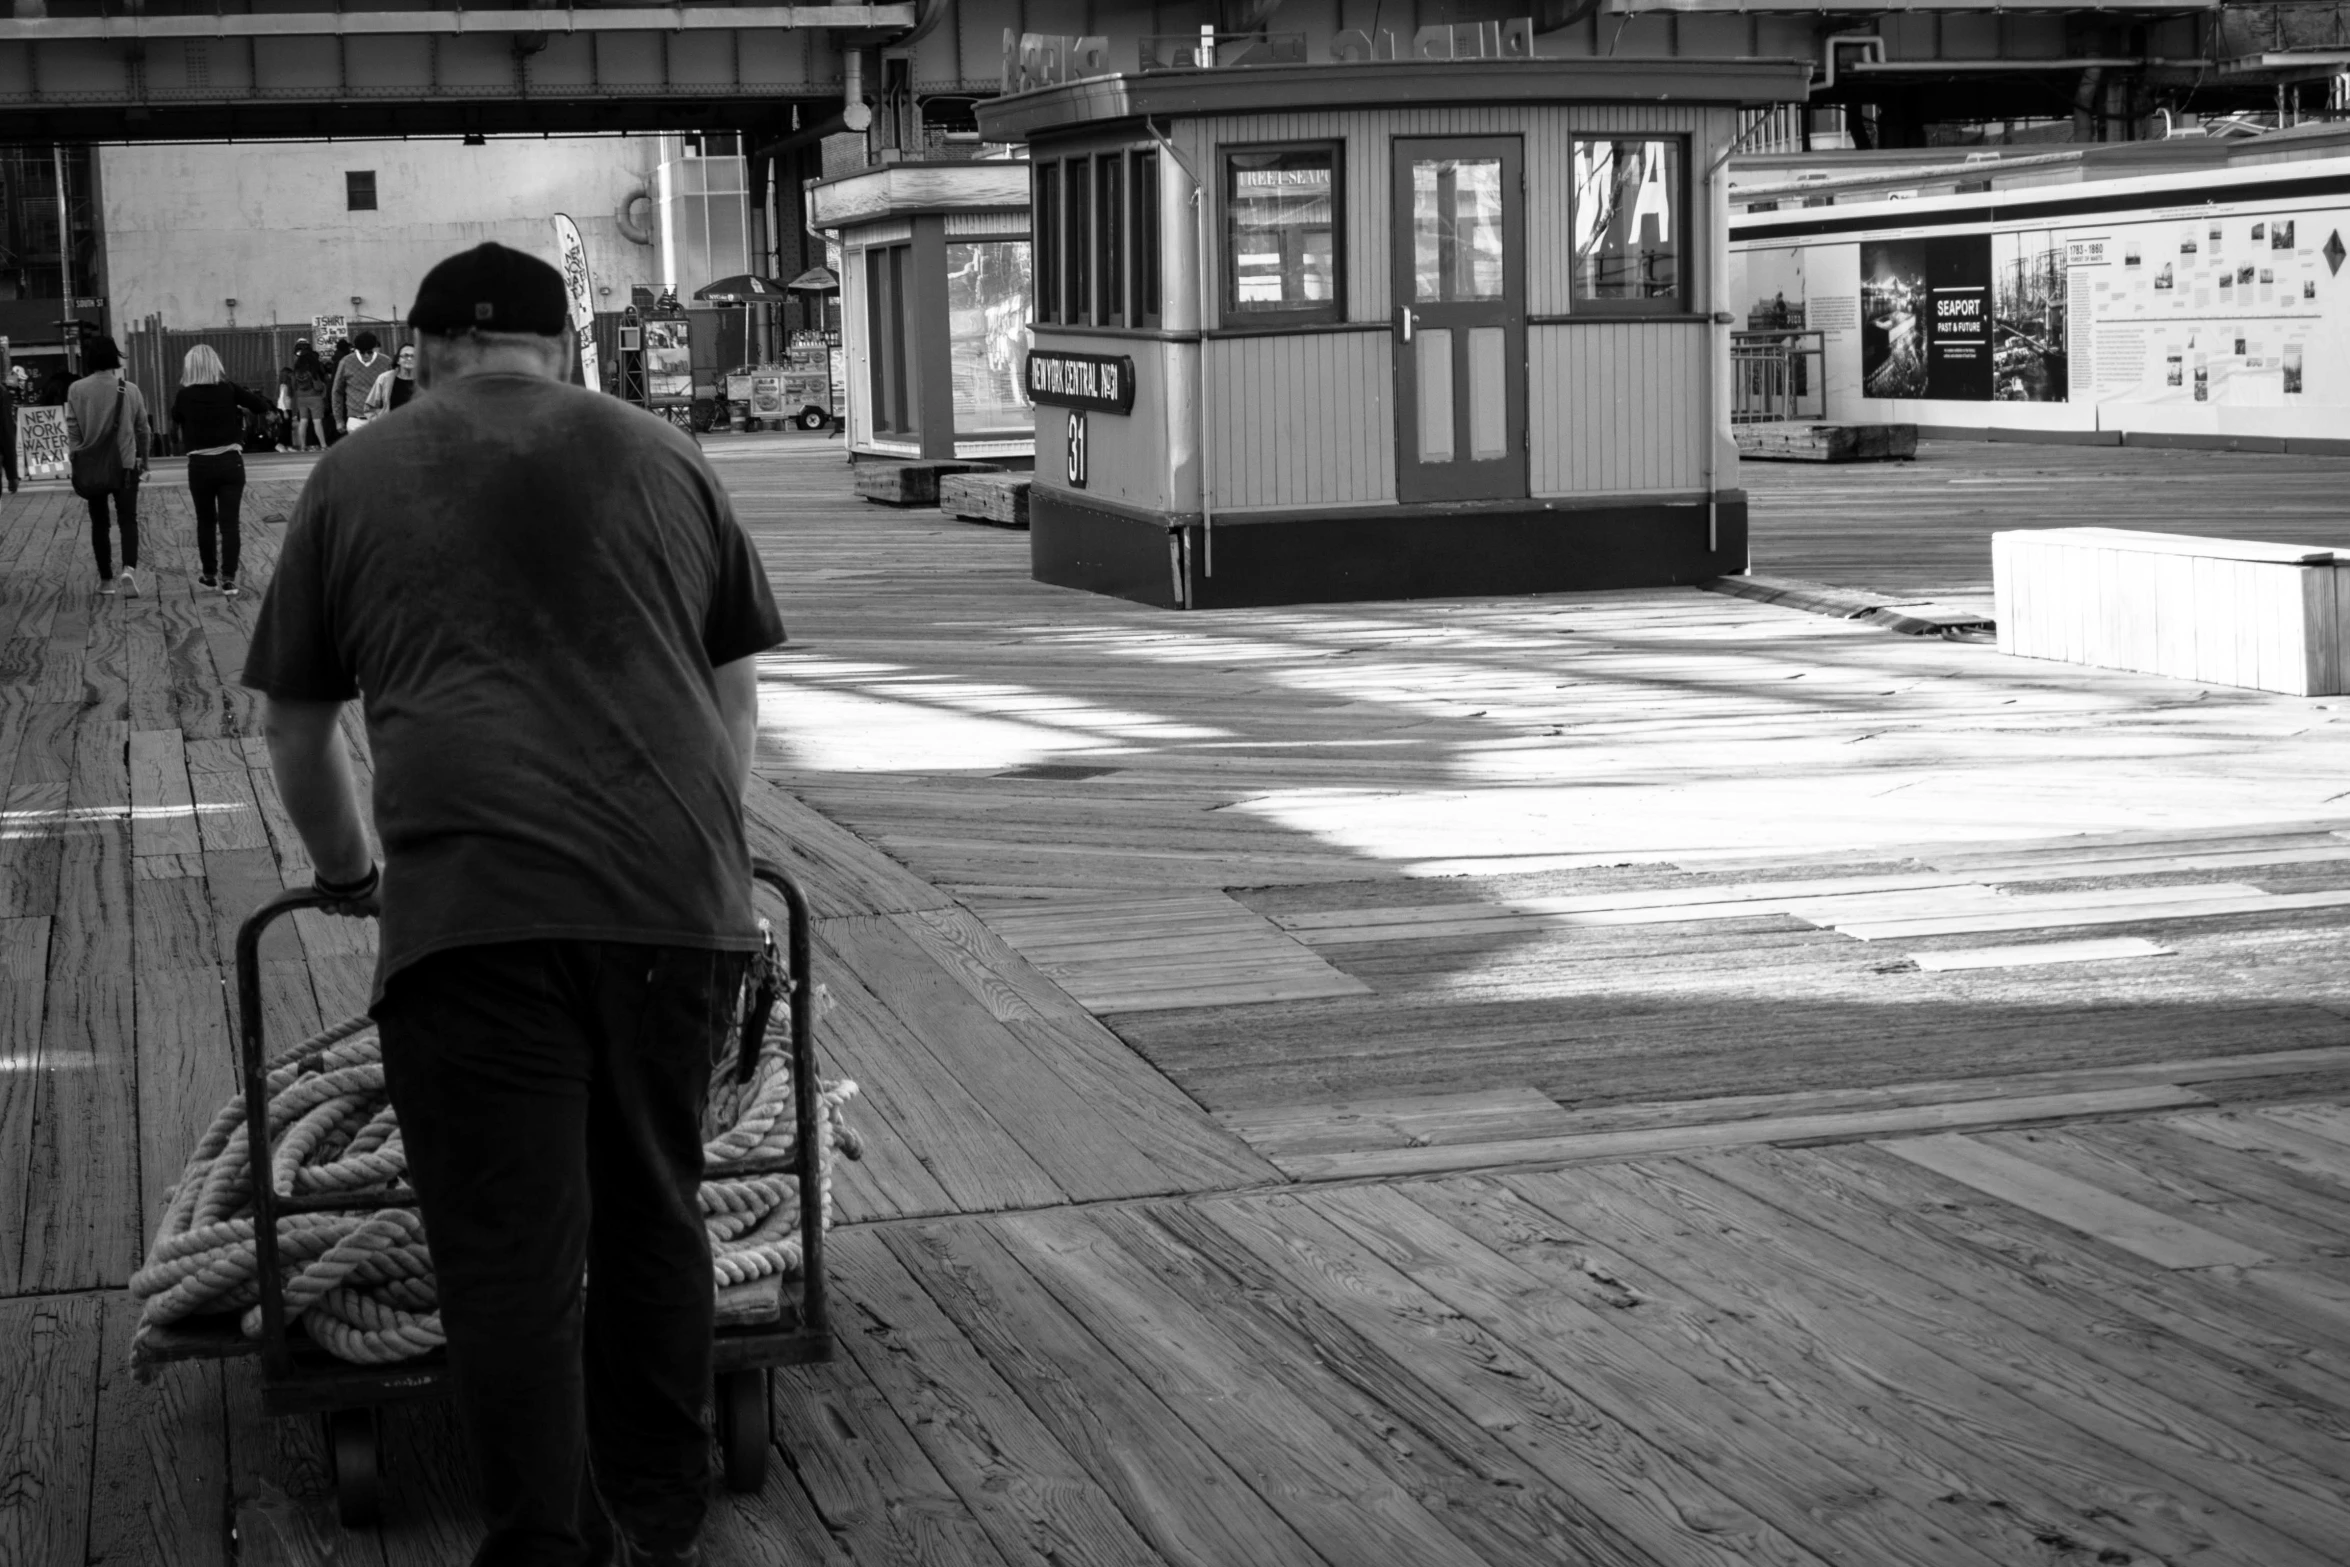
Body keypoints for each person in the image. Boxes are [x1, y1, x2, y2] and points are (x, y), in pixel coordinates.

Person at [243, 242, 784, 1567]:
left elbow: (298, 730)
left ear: (423, 346)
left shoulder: (356, 472)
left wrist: (353, 873)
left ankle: (542, 1539)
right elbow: (734, 699)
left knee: (505, 1248)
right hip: (672, 909)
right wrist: (705, 856)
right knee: (655, 1208)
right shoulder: (666, 455)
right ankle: (657, 1514)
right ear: (558, 344)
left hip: (471, 917)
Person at [171, 345, 273, 594]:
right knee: (230, 523)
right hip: (231, 462)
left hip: (200, 465)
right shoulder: (229, 389)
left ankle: (209, 574)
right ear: (216, 364)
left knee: (205, 521)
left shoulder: (184, 395)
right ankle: (229, 578)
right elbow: (260, 405)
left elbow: (176, 420)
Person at [65, 337, 152, 596]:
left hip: (92, 467)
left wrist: (77, 455)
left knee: (99, 523)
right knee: (128, 519)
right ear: (115, 357)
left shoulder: (76, 389)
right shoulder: (130, 389)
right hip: (125, 466)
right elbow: (143, 430)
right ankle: (129, 569)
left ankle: (105, 580)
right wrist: (144, 461)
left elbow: (73, 429)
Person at [334, 330, 391, 435]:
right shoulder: (346, 362)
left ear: (374, 348)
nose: (366, 355)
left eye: (369, 352)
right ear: (356, 350)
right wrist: (338, 419)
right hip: (355, 420)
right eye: (362, 352)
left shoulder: (386, 362)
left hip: (380, 418)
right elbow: (337, 391)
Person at [287, 340, 329, 451]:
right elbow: (321, 380)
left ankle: (302, 446)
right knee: (317, 421)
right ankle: (323, 445)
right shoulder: (314, 364)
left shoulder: (297, 367)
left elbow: (293, 384)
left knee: (303, 421)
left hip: (301, 397)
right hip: (315, 396)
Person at [363, 342, 419, 417]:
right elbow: (370, 407)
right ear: (398, 360)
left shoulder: (427, 381)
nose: (409, 358)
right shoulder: (384, 379)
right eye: (405, 356)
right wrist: (380, 424)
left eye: (413, 356)